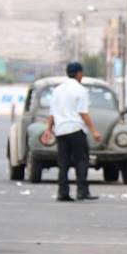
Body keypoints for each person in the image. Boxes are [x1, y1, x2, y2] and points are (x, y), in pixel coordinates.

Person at [43, 62, 103, 202]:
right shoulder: (80, 90)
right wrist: (94, 131)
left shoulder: (58, 90)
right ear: (79, 74)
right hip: (75, 129)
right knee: (81, 161)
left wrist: (48, 129)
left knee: (63, 162)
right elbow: (83, 113)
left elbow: (52, 112)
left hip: (61, 130)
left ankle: (62, 193)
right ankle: (82, 191)